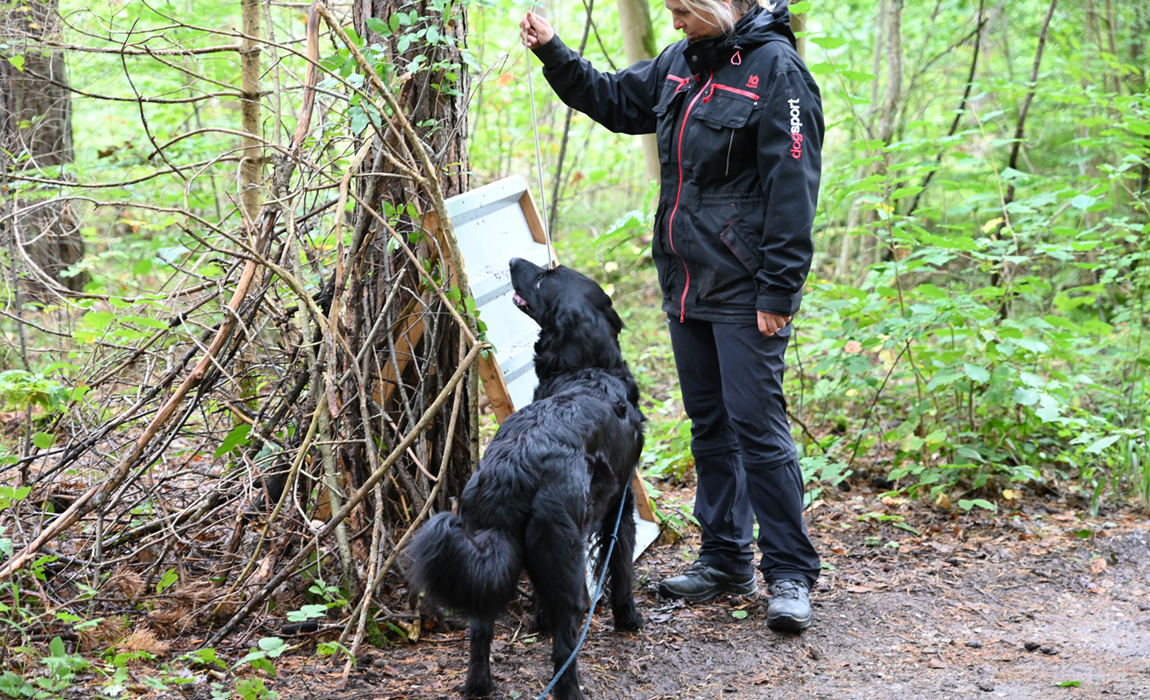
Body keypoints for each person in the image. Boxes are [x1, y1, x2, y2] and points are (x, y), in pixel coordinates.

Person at [520, 0, 822, 632]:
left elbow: (794, 190)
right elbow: (611, 100)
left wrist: (778, 292)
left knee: (757, 428)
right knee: (710, 425)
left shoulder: (778, 72)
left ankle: (790, 573)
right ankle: (724, 558)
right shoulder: (679, 63)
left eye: (684, 9)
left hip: (746, 288)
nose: (674, 18)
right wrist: (552, 49)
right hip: (686, 283)